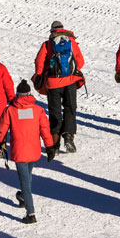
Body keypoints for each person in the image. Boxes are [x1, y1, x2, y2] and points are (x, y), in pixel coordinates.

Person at [0, 80, 55, 224]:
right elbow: (45, 130)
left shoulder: (10, 110)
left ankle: (31, 213)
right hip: (34, 150)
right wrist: (50, 146)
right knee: (27, 178)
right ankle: (22, 196)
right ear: (29, 94)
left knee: (25, 183)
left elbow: (2, 128)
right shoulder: (38, 110)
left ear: (17, 94)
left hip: (19, 152)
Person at [33, 21, 85, 153]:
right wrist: (71, 70)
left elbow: (39, 61)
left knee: (54, 111)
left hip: (53, 82)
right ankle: (68, 136)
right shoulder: (71, 42)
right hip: (70, 82)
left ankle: (55, 145)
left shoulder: (48, 44)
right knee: (70, 108)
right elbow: (80, 61)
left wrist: (39, 75)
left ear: (52, 31)